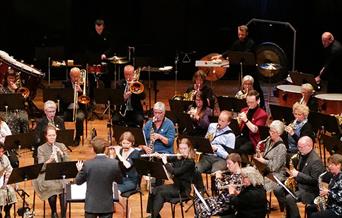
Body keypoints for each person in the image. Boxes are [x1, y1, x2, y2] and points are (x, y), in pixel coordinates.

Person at [275, 136, 325, 218]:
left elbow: (314, 181)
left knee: (289, 198)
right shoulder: (302, 154)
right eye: (298, 146)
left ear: (309, 146)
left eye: (301, 147)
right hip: (299, 183)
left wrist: (298, 174)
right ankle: (288, 212)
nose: (299, 149)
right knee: (278, 190)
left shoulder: (316, 161)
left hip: (309, 190)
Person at [146, 137, 196, 218]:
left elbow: (175, 172)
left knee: (160, 193)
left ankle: (154, 216)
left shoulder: (190, 162)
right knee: (154, 190)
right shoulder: (179, 157)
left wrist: (165, 162)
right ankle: (153, 214)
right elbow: (169, 158)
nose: (182, 151)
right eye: (180, 148)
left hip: (183, 190)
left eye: (184, 148)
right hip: (176, 186)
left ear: (189, 148)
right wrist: (159, 156)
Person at [75, 137, 122, 218]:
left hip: (91, 205)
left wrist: (80, 171)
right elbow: (120, 180)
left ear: (93, 150)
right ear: (105, 149)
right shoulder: (114, 163)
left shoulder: (87, 164)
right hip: (106, 206)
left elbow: (78, 182)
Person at [32, 125, 69, 218]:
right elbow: (41, 166)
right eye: (50, 135)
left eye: (54, 135)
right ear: (46, 136)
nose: (52, 137)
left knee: (64, 188)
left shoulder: (61, 145)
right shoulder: (41, 148)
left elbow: (68, 162)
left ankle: (63, 213)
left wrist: (62, 154)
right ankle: (54, 211)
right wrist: (49, 160)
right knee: (51, 187)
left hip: (60, 173)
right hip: (47, 173)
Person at [195, 153, 243, 217]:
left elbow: (219, 187)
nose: (227, 166)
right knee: (198, 203)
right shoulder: (234, 173)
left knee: (202, 208)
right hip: (221, 199)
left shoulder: (240, 176)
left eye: (229, 163)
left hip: (226, 204)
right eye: (227, 164)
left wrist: (218, 177)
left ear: (236, 163)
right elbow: (227, 181)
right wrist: (222, 176)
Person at [253, 120, 287, 211]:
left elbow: (275, 167)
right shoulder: (269, 140)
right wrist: (260, 156)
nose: (270, 133)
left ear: (279, 133)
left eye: (273, 132)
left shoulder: (281, 147)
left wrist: (263, 161)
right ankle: (261, 202)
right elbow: (267, 155)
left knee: (259, 182)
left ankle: (263, 204)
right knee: (251, 175)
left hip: (277, 174)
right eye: (270, 130)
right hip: (266, 169)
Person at [106, 131, 140, 216]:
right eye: (123, 143)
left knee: (115, 191)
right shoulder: (120, 150)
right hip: (120, 178)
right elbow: (114, 164)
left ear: (132, 143)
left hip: (131, 181)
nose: (125, 145)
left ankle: (127, 209)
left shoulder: (136, 153)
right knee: (106, 186)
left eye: (128, 143)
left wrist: (118, 154)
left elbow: (127, 165)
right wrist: (111, 155)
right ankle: (111, 207)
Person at [235, 90, 268, 162]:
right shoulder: (244, 110)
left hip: (253, 140)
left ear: (258, 101)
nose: (249, 104)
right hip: (243, 136)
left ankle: (246, 165)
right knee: (232, 144)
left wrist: (246, 120)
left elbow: (255, 130)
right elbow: (239, 127)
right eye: (247, 102)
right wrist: (237, 122)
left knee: (242, 150)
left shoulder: (262, 114)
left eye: (252, 102)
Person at [85, 18, 114, 90]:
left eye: (100, 29)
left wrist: (105, 54)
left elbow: (111, 47)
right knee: (92, 80)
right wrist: (92, 58)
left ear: (103, 27)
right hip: (93, 60)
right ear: (95, 26)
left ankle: (107, 95)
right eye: (97, 29)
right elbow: (87, 49)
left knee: (107, 80)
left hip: (104, 60)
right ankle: (92, 97)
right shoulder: (90, 35)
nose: (98, 30)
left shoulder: (108, 35)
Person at [311, 154, 342, 218]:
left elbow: (340, 198)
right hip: (331, 205)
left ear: (339, 165)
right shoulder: (334, 176)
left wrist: (328, 192)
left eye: (332, 165)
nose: (329, 166)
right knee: (310, 208)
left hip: (338, 210)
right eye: (329, 164)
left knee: (314, 216)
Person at [0, 69, 29, 134]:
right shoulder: (2, 89)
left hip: (18, 109)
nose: (11, 80)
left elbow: (23, 101)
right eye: (9, 78)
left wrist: (16, 90)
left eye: (12, 78)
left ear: (15, 79)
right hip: (5, 110)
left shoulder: (18, 88)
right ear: (6, 78)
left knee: (24, 118)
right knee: (12, 119)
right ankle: (13, 138)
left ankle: (25, 137)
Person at [63, 67, 86, 146]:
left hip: (79, 109)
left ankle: (77, 137)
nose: (76, 78)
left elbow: (88, 100)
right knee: (60, 119)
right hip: (68, 108)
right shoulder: (65, 84)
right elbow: (62, 98)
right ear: (70, 76)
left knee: (79, 118)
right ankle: (64, 137)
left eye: (77, 76)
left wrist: (81, 92)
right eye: (74, 76)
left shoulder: (84, 84)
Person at [0, 142, 17, 218]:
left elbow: (10, 169)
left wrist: (8, 179)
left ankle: (7, 212)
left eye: (2, 151)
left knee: (11, 191)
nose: (1, 153)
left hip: (4, 181)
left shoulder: (5, 157)